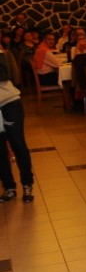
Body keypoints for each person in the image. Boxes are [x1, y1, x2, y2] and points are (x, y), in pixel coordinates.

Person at [0, 45, 35, 203]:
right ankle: (9, 187)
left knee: (18, 143)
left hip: (9, 102)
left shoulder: (2, 54)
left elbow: (5, 75)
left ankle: (27, 184)